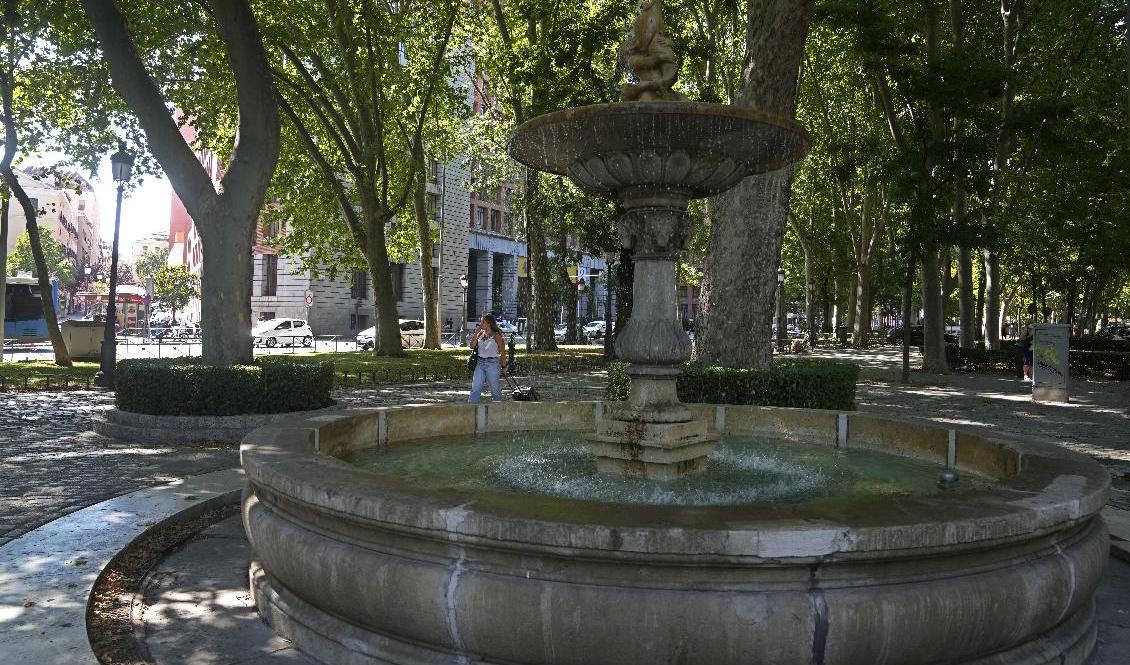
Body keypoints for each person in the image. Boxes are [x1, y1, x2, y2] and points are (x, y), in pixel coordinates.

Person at [469, 314, 508, 402]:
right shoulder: (480, 334)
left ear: (489, 323)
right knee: (475, 387)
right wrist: (476, 332)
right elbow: (472, 346)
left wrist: (504, 367)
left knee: (495, 388)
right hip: (480, 362)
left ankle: (498, 406)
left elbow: (503, 353)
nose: (481, 324)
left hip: (492, 363)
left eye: (483, 322)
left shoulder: (496, 336)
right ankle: (472, 406)